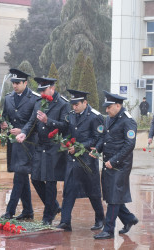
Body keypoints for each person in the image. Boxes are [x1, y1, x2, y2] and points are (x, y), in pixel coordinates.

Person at [16, 77, 70, 225]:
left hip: (54, 147)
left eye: (44, 90)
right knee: (35, 178)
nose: (41, 93)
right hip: (40, 146)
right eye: (39, 90)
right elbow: (32, 122)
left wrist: (48, 121)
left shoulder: (63, 104)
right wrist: (24, 133)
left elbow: (66, 126)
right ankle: (53, 206)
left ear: (52, 89)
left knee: (51, 181)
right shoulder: (39, 103)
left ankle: (47, 217)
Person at [56, 89, 105, 232]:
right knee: (69, 189)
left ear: (85, 102)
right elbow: (68, 133)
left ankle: (100, 218)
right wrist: (66, 142)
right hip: (72, 160)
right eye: (73, 104)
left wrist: (79, 147)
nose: (74, 107)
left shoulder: (95, 117)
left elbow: (97, 138)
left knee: (93, 191)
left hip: (87, 160)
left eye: (77, 104)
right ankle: (65, 221)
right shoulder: (71, 115)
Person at [92, 91, 138, 240]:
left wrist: (114, 161)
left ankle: (109, 229)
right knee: (112, 194)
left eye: (109, 107)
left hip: (120, 165)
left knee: (113, 196)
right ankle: (129, 218)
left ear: (118, 105)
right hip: (108, 162)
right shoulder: (108, 119)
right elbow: (104, 137)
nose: (106, 110)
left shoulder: (128, 121)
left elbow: (129, 145)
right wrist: (97, 149)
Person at [0, 69, 40, 220]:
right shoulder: (8, 98)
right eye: (13, 83)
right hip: (13, 144)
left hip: (27, 143)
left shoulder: (34, 99)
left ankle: (10, 211)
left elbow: (35, 121)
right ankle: (28, 211)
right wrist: (3, 124)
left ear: (25, 83)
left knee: (19, 176)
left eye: (17, 83)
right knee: (22, 177)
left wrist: (22, 131)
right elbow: (5, 116)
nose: (14, 86)